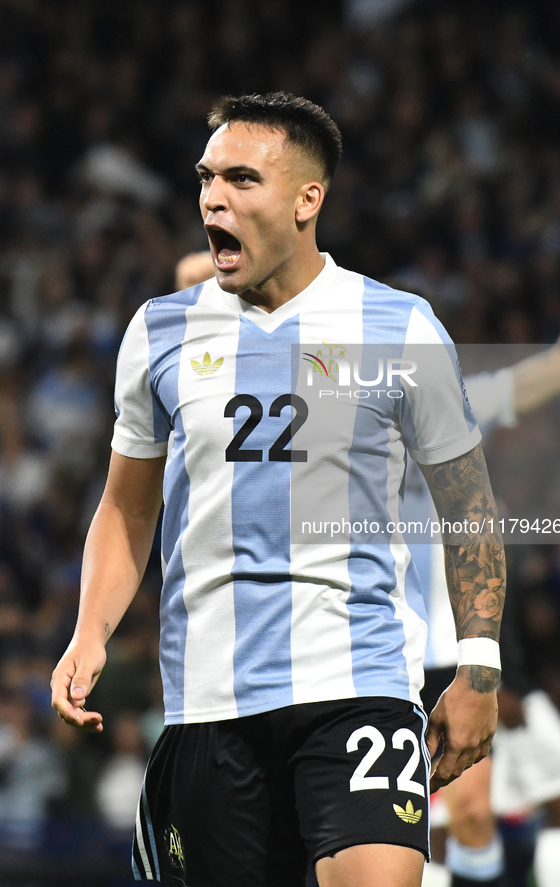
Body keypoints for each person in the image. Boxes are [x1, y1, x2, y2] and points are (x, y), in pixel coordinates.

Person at [51, 92, 506, 887]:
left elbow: (466, 503)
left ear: (306, 199)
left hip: (358, 683)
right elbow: (126, 507)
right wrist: (89, 631)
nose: (211, 197)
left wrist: (477, 666)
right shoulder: (160, 330)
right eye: (205, 178)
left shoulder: (396, 325)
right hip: (207, 702)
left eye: (239, 178)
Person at [411, 238, 560, 887]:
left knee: (472, 816)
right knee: (430, 826)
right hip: (388, 662)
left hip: (459, 655)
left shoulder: (456, 405)